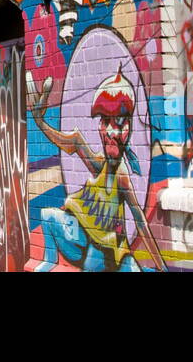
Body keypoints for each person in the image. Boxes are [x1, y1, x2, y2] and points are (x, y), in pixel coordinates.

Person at [30, 68, 167, 272]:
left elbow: (140, 221)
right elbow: (72, 142)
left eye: (120, 122)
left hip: (111, 251)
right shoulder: (99, 163)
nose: (112, 131)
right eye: (105, 121)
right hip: (82, 238)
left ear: (129, 127)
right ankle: (48, 263)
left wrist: (162, 267)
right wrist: (40, 123)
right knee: (48, 216)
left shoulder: (121, 176)